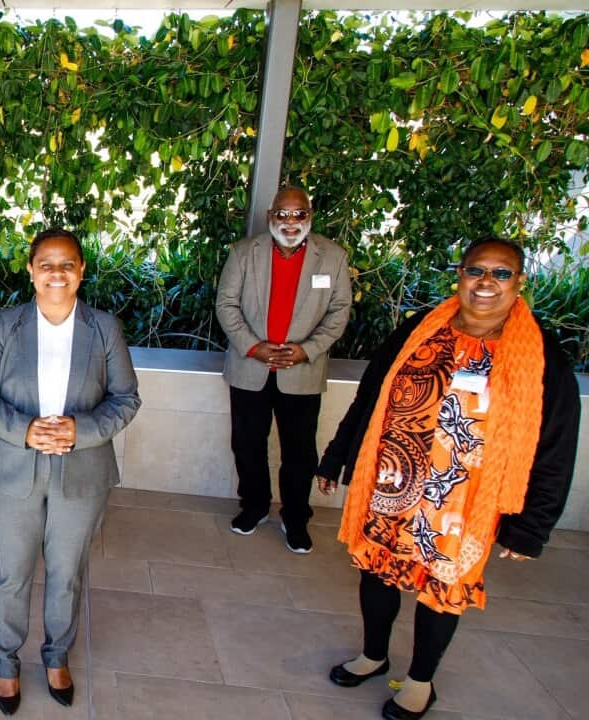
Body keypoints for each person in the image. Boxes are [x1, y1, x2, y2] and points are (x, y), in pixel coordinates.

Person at [316, 237, 579, 720]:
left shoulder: (541, 357)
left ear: (519, 283)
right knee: (377, 570)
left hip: (464, 503)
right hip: (393, 481)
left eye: (501, 274)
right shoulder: (421, 329)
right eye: (476, 271)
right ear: (460, 275)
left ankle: (420, 682)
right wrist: (336, 457)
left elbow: (557, 444)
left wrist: (532, 525)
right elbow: (373, 396)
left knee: (442, 589)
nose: (486, 283)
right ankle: (374, 655)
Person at [0, 228, 141, 716]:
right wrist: (25, 431)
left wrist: (78, 432)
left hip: (81, 471)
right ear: (30, 270)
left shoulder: (104, 328)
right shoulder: (6, 325)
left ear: (82, 270)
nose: (57, 274)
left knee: (67, 573)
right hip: (11, 470)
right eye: (46, 264)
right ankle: (6, 660)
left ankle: (57, 655)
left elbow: (127, 398)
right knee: (11, 573)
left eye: (68, 264)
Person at [215, 186, 353, 553]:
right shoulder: (245, 253)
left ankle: (295, 518)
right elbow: (226, 304)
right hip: (250, 368)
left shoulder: (333, 257)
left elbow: (339, 312)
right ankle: (255, 506)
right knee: (246, 444)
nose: (290, 223)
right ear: (270, 216)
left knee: (300, 453)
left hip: (301, 372)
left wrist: (305, 351)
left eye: (299, 215)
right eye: (283, 215)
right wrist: (253, 347)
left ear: (310, 215)